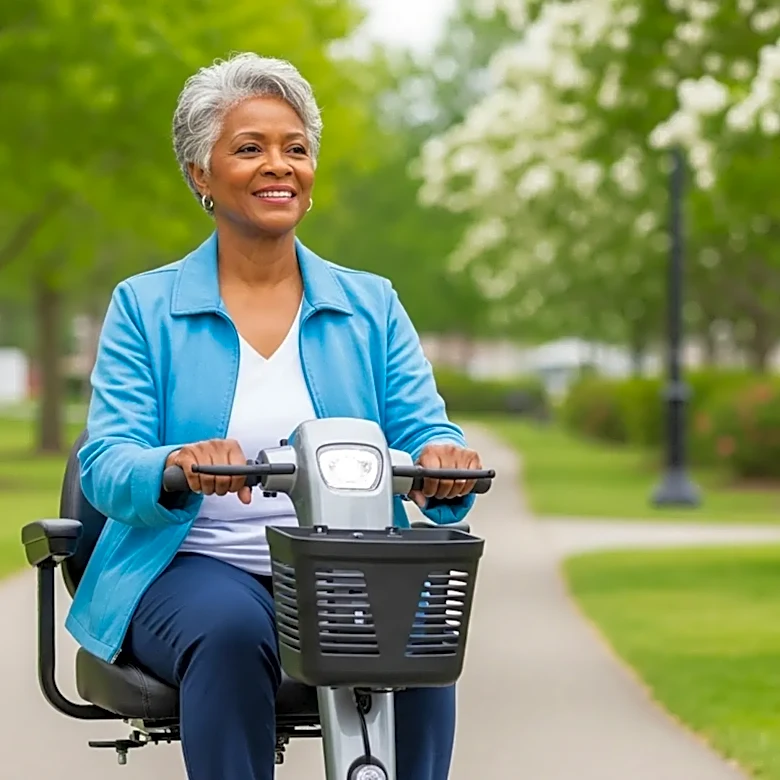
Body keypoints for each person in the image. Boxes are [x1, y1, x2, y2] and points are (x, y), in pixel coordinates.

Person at [66, 52, 482, 780]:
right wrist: (173, 466)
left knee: (419, 631)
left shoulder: (370, 304)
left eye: (296, 148)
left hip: (348, 569)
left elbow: (425, 432)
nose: (279, 165)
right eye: (250, 148)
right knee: (229, 631)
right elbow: (107, 462)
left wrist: (442, 462)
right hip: (193, 562)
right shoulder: (145, 305)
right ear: (201, 174)